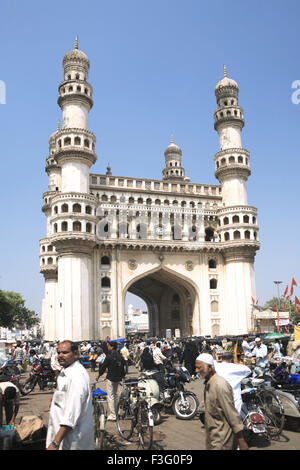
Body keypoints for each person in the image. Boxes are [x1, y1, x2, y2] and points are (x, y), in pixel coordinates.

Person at [46, 340, 94, 450]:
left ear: (76, 354)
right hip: (63, 437)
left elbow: (71, 414)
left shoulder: (77, 376)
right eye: (59, 353)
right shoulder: (66, 372)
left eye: (65, 352)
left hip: (72, 441)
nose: (60, 356)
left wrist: (55, 443)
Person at [195, 353, 248, 451]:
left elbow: (232, 415)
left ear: (210, 367)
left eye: (199, 368)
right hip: (213, 436)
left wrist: (241, 441)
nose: (196, 371)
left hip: (222, 439)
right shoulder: (209, 383)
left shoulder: (220, 385)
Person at [97, 341, 126, 422]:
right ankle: (117, 412)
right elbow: (123, 366)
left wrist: (98, 375)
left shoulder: (109, 356)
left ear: (112, 347)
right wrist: (123, 376)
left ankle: (113, 415)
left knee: (110, 396)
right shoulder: (119, 356)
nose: (107, 347)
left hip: (110, 378)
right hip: (118, 378)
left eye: (108, 346)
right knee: (116, 395)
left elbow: (103, 367)